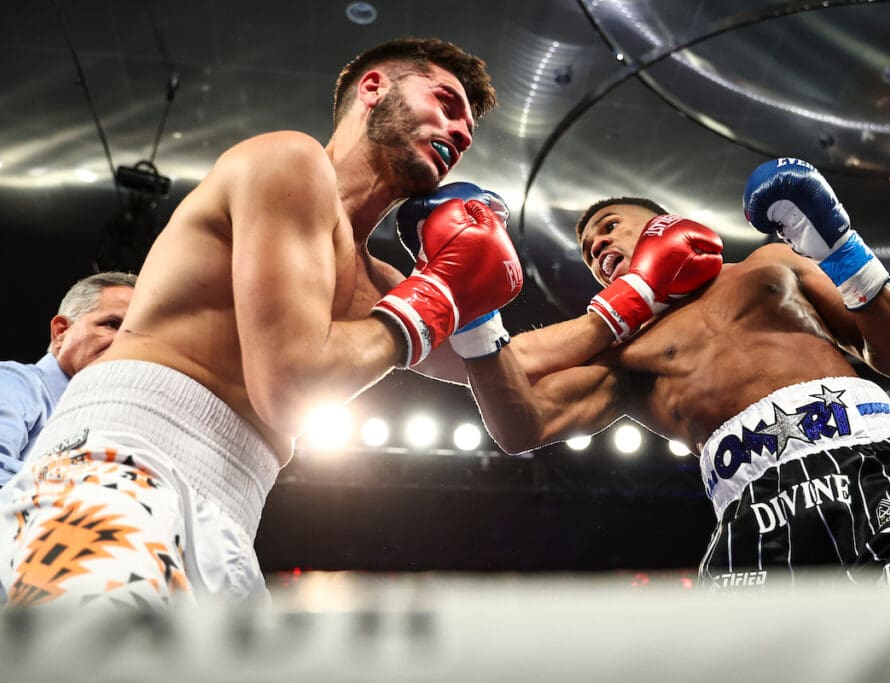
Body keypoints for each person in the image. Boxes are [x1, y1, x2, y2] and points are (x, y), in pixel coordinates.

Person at [0, 37, 542, 608]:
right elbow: (291, 387)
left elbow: (517, 371)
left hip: (231, 521)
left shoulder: (377, 284)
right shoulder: (289, 160)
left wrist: (632, 304)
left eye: (468, 129)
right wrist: (437, 295)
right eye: (446, 103)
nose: (461, 132)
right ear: (375, 88)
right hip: (116, 475)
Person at [466, 157, 890, 590]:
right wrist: (470, 309)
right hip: (754, 512)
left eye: (610, 229)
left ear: (662, 224)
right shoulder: (622, 354)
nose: (599, 248)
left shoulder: (771, 265)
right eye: (589, 253)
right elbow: (522, 424)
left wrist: (841, 251)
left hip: (873, 463)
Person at [0, 271, 135, 486]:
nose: (125, 343)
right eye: (112, 324)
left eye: (134, 334)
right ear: (61, 331)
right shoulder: (15, 383)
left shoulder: (122, 420)